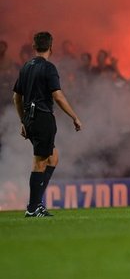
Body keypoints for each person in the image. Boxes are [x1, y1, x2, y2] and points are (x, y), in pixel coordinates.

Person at [12, 32, 82, 217]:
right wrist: (74, 116)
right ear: (51, 47)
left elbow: (16, 97)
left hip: (30, 118)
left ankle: (36, 204)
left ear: (34, 47)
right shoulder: (48, 67)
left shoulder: (26, 67)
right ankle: (32, 208)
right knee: (40, 162)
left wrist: (23, 120)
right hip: (42, 117)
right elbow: (57, 96)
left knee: (53, 158)